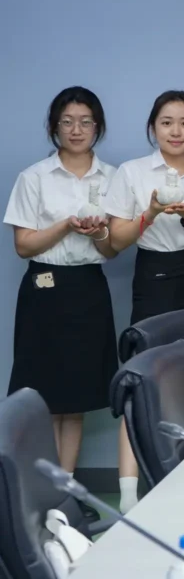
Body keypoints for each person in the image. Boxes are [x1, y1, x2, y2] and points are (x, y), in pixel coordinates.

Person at [107, 90, 184, 511]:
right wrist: (152, 212)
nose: (176, 131)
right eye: (167, 122)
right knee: (142, 381)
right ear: (153, 127)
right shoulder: (132, 173)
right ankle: (128, 495)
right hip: (153, 275)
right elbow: (116, 242)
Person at [5, 87, 118, 481]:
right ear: (54, 127)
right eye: (67, 122)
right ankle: (42, 490)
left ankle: (65, 488)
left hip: (88, 288)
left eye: (85, 122)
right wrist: (66, 225)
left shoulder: (113, 178)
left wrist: (98, 232)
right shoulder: (34, 177)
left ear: (97, 127)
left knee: (75, 398)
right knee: (45, 397)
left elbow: (111, 250)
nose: (76, 129)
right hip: (44, 290)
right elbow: (23, 245)